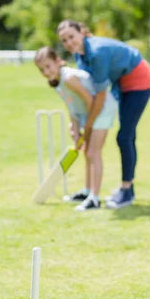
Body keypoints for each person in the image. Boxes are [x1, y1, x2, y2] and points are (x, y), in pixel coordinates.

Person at [57, 20, 150, 209]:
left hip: (138, 80)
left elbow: (99, 97)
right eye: (64, 40)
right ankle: (99, 190)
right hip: (121, 82)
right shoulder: (80, 55)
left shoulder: (97, 52)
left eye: (71, 37)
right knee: (126, 136)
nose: (69, 42)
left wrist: (89, 125)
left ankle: (127, 190)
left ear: (81, 33)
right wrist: (77, 123)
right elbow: (89, 91)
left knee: (125, 136)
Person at [34, 47, 117, 211]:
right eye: (42, 69)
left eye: (48, 66)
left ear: (58, 61)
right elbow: (72, 106)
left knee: (94, 152)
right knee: (86, 152)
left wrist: (87, 127)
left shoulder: (69, 78)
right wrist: (75, 127)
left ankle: (94, 198)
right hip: (88, 112)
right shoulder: (57, 82)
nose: (46, 71)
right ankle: (87, 191)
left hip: (101, 108)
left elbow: (91, 100)